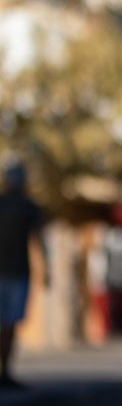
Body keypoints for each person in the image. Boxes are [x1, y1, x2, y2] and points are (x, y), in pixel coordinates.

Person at [0, 161, 47, 390]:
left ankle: (5, 372)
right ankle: (5, 371)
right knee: (9, 324)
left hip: (13, 271)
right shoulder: (29, 207)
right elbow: (39, 240)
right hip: (17, 272)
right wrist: (46, 270)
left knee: (7, 323)